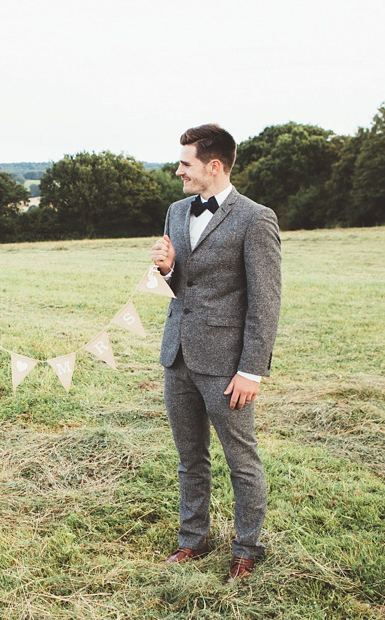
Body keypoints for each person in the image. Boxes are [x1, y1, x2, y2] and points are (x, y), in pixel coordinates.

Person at [150, 124, 281, 583]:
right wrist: (166, 270)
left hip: (227, 366)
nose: (178, 170)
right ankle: (193, 540)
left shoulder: (256, 218)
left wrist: (252, 370)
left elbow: (265, 302)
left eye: (185, 163)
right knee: (190, 458)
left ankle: (247, 549)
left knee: (241, 460)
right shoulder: (174, 211)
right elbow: (177, 288)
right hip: (178, 356)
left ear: (214, 166)